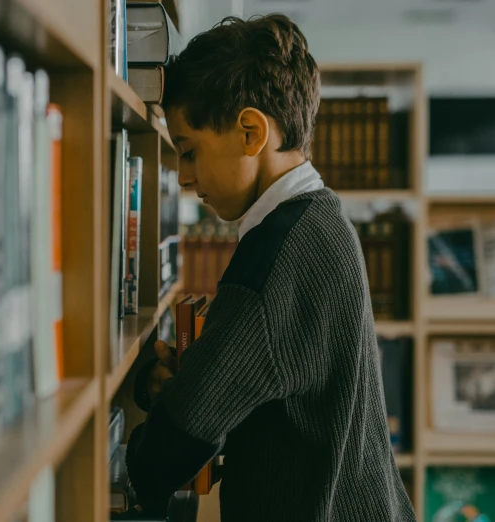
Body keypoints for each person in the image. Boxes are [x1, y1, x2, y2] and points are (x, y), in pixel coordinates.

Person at [124, 13, 417, 522]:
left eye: (190, 152)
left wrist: (151, 386)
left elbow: (164, 455)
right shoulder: (321, 218)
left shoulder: (272, 259)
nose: (186, 178)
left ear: (250, 131)